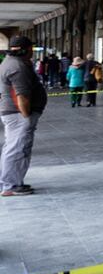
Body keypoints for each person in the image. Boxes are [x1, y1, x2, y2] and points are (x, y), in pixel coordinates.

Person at [1, 36, 47, 197]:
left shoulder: (10, 62)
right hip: (18, 114)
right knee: (17, 149)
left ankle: (11, 182)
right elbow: (21, 96)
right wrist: (26, 116)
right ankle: (10, 185)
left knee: (13, 147)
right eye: (31, 49)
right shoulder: (17, 67)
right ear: (27, 49)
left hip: (14, 113)